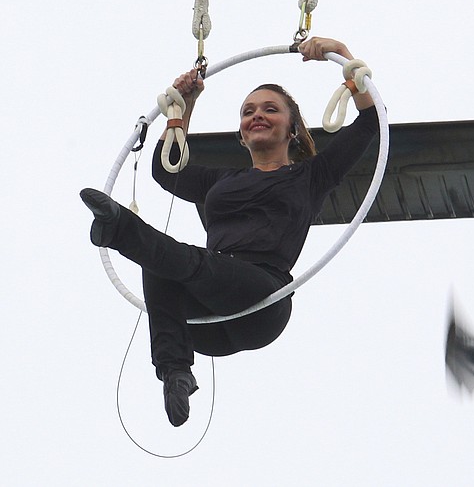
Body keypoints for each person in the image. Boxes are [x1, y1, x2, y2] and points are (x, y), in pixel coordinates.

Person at [80, 37, 378, 427]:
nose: (257, 115)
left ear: (292, 128)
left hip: (262, 297)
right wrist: (182, 110)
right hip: (207, 321)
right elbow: (165, 170)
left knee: (176, 258)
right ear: (240, 132)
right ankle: (176, 373)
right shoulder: (222, 183)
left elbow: (372, 121)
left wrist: (342, 54)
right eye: (248, 111)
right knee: (162, 263)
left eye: (270, 110)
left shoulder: (311, 176)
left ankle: (117, 228)